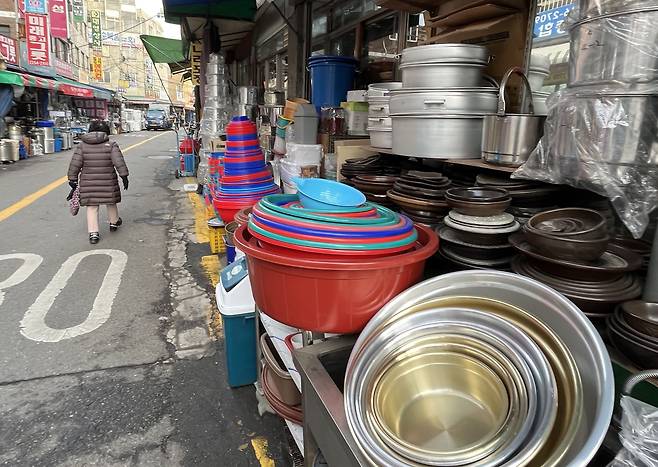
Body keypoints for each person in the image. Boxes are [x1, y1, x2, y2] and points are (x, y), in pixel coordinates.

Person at [67, 120, 129, 244]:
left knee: (92, 206)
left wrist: (72, 178)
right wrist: (124, 176)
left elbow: (75, 163)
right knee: (111, 201)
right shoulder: (111, 144)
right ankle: (114, 222)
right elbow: (119, 162)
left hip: (88, 182)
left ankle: (93, 233)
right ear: (107, 132)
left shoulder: (82, 146)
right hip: (108, 181)